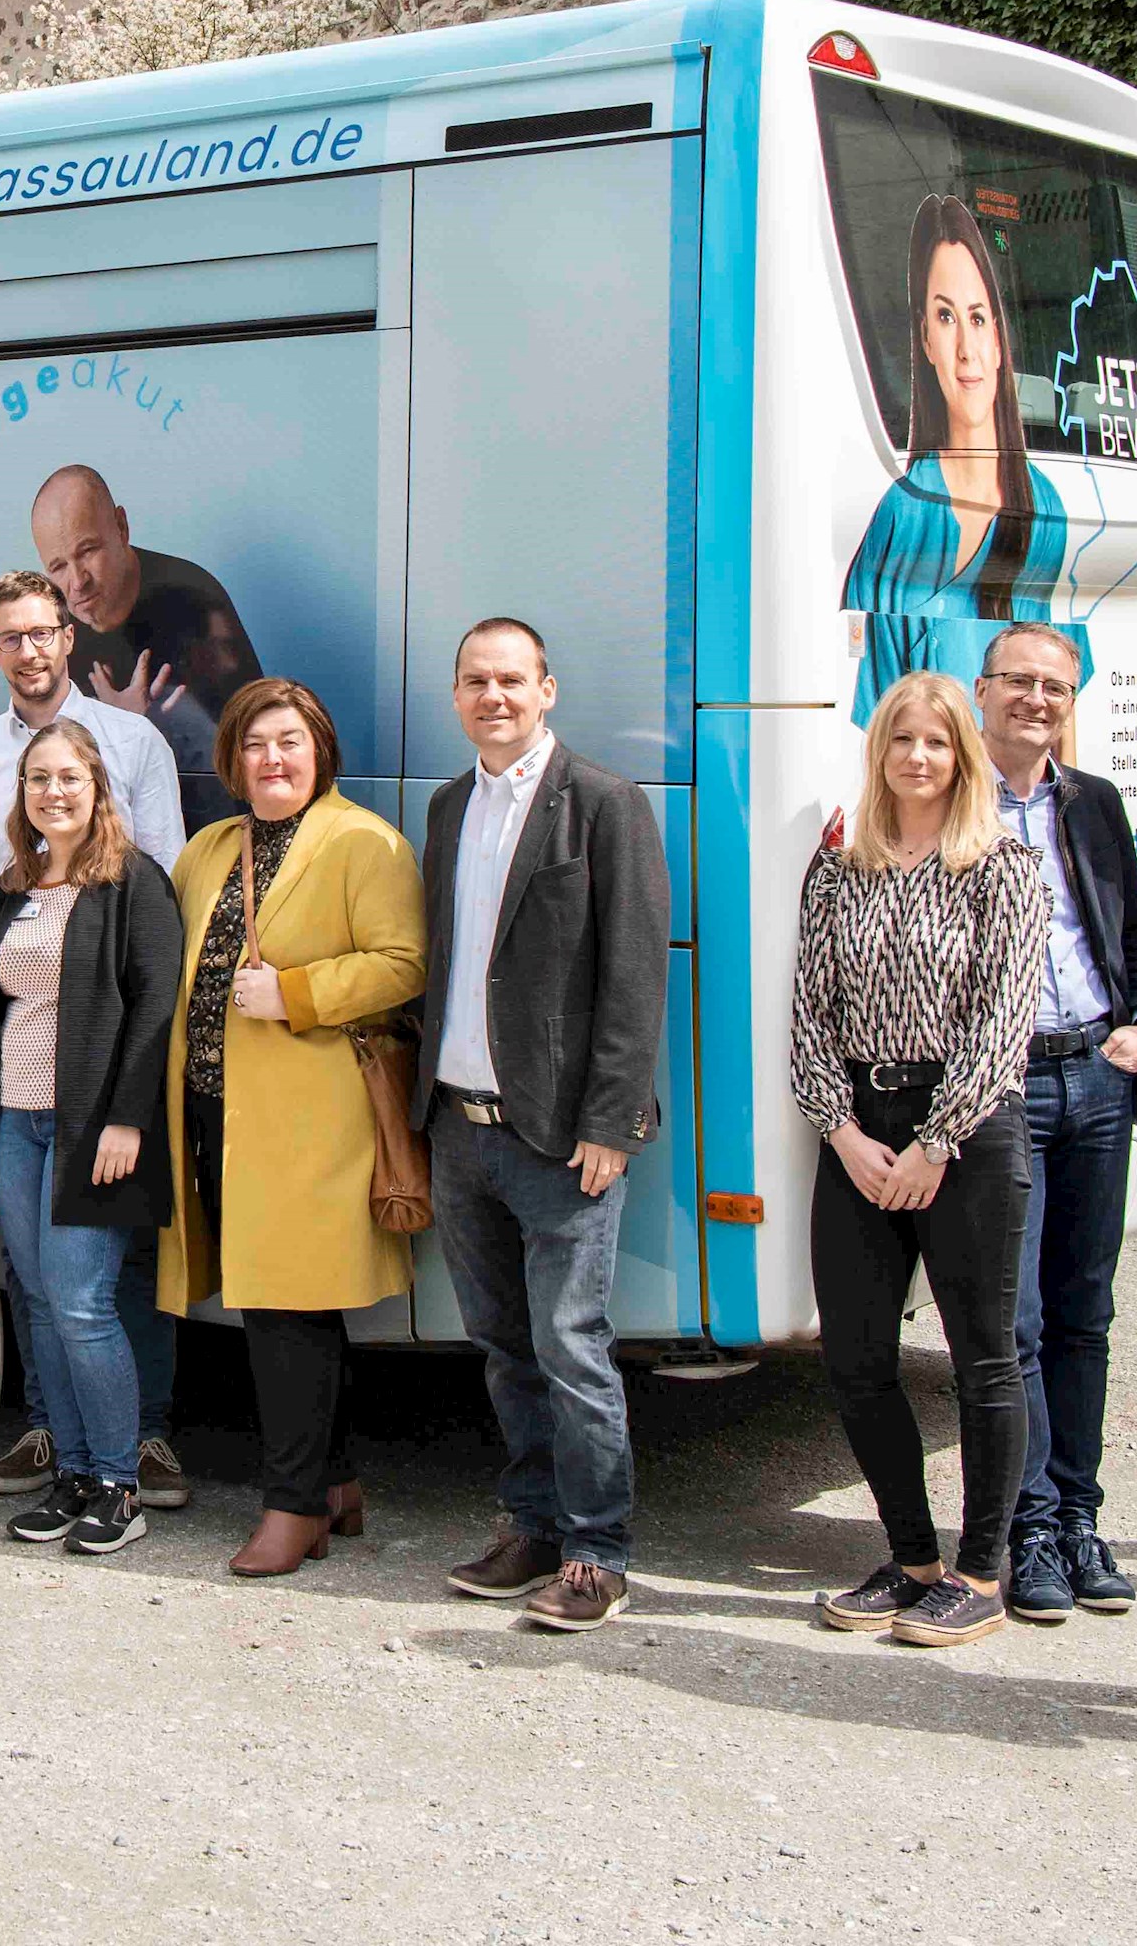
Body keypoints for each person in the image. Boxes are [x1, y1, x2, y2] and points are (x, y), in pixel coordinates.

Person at [417, 617, 675, 1636]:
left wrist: (612, 1120)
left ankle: (595, 1552)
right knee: (502, 1345)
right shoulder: (447, 807)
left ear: (547, 690)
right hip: (458, 1127)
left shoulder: (602, 804)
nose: (494, 696)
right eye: (476, 680)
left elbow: (633, 977)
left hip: (561, 1136)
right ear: (455, 697)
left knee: (572, 1346)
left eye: (512, 680)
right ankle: (529, 1523)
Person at [789, 669, 1045, 1648]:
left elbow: (1000, 1020)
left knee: (983, 1359)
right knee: (855, 1358)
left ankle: (981, 1570)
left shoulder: (1002, 866)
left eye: (937, 741)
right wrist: (845, 1133)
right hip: (857, 1123)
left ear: (961, 755)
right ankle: (911, 1557)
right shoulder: (838, 865)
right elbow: (808, 1013)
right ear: (881, 751)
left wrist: (935, 1142)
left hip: (967, 1133)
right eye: (903, 739)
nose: (919, 757)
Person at [160, 678, 427, 1579]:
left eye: (289, 742)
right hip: (216, 1112)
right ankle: (338, 1480)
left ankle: (294, 1506)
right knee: (284, 1309)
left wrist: (298, 993)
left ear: (321, 752)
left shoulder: (365, 841)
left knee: (284, 1312)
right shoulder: (207, 848)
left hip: (312, 1120)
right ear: (232, 759)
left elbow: (404, 963)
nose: (272, 759)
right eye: (255, 745)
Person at [0, 571, 191, 1511]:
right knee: (43, 1294)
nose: (29, 649)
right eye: (10, 635)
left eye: (43, 631)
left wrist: (128, 1113)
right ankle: (73, 1460)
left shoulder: (134, 760)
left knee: (91, 1294)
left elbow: (153, 976)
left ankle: (123, 1463)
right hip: (16, 1110)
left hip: (96, 1108)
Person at [973, 621, 1137, 1625]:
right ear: (982, 689)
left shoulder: (1090, 801)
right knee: (1016, 1322)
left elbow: (1131, 931)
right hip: (999, 1088)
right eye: (1018, 681)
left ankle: (1083, 1520)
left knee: (1083, 1312)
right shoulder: (947, 801)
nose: (1036, 700)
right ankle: (1031, 1526)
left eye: (1054, 685)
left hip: (1093, 1074)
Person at [841, 194, 1088, 720]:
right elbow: (871, 705)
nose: (965, 351)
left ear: (998, 339)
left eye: (977, 319)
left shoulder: (1044, 507)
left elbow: (1065, 704)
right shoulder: (905, 511)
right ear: (925, 339)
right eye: (945, 317)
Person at [34, 462, 259, 830]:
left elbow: (252, 744)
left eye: (88, 550)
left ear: (121, 527)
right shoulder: (51, 631)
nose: (78, 582)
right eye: (58, 566)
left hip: (208, 837)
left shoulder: (196, 602)